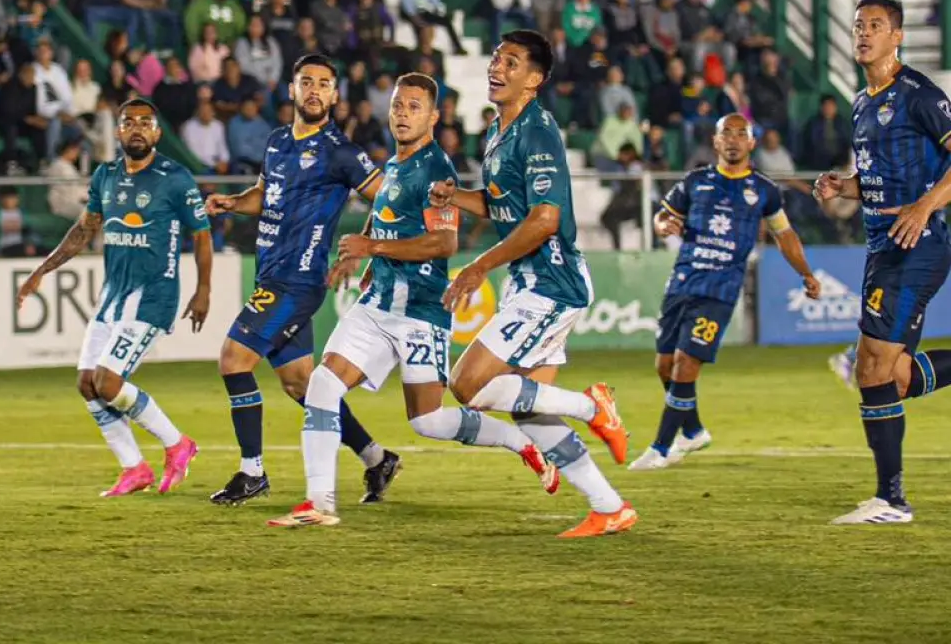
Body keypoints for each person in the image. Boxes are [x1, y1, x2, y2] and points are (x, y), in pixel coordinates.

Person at [268, 73, 557, 528]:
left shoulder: (434, 169)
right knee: (322, 384)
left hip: (420, 312)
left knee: (428, 421)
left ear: (433, 117)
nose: (404, 114)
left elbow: (443, 243)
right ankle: (318, 503)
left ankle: (518, 441)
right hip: (377, 304)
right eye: (399, 106)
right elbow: (385, 218)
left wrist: (374, 249)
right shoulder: (395, 166)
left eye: (414, 107)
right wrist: (362, 253)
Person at [426, 30, 636, 538]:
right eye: (497, 58)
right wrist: (457, 197)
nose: (498, 67)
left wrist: (478, 267)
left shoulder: (538, 132)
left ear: (535, 81)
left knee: (467, 385)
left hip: (552, 282)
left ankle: (593, 406)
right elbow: (505, 206)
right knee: (527, 409)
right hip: (531, 283)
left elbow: (544, 219)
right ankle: (610, 507)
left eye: (513, 62)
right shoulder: (499, 132)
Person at [204, 54, 396, 506]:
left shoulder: (340, 152)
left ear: (335, 95)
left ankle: (252, 472)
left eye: (324, 83)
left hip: (297, 281)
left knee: (234, 360)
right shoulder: (276, 142)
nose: (314, 90)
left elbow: (389, 199)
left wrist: (365, 246)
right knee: (300, 384)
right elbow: (265, 196)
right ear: (290, 89)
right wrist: (234, 203)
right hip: (270, 274)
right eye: (305, 82)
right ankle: (376, 457)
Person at [17, 99, 211, 497]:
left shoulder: (174, 178)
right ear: (118, 132)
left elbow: (202, 234)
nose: (137, 128)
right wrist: (42, 269)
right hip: (114, 296)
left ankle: (178, 444)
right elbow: (84, 229)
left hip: (154, 295)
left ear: (157, 133)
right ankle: (133, 468)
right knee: (87, 384)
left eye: (146, 123)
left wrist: (203, 289)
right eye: (128, 123)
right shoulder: (105, 176)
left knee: (108, 382)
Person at [812, 0, 951, 525]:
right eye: (857, 26)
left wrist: (924, 206)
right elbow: (874, 182)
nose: (864, 34)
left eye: (876, 25)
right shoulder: (861, 103)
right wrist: (841, 187)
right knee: (890, 377)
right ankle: (888, 497)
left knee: (869, 364)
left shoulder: (919, 95)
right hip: (882, 246)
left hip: (917, 244)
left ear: (898, 37)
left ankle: (891, 500)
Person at [628, 114, 820, 471]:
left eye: (740, 134)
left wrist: (806, 273)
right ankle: (694, 431)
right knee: (665, 366)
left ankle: (661, 447)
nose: (733, 140)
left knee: (687, 365)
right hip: (682, 281)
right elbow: (661, 216)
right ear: (715, 142)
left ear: (751, 143)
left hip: (720, 289)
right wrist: (663, 225)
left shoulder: (764, 190)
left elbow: (785, 234)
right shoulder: (695, 182)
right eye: (725, 134)